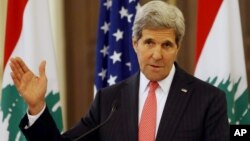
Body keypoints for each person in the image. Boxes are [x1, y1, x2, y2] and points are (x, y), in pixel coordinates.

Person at [10, 1, 229, 141]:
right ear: (135, 44)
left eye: (166, 45)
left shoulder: (208, 99)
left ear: (177, 47)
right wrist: (37, 106)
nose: (157, 54)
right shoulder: (109, 100)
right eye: (149, 43)